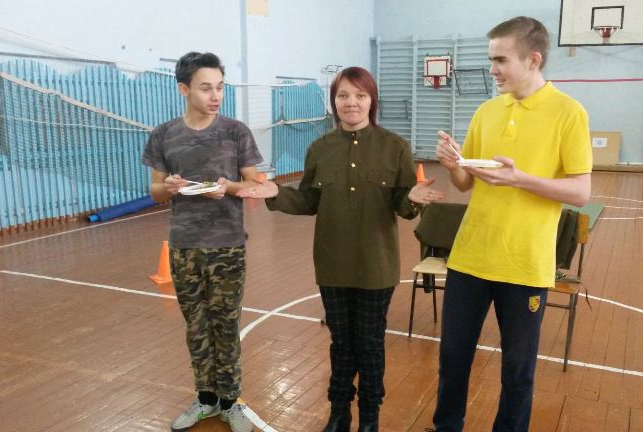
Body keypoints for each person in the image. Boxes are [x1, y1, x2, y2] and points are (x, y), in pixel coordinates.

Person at [237, 66, 443, 432]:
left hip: (376, 265)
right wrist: (276, 193)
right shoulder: (320, 149)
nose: (351, 103)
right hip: (332, 263)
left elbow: (403, 206)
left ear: (371, 100)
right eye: (343, 95)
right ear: (334, 101)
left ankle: (370, 417)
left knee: (370, 343)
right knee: (341, 341)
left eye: (360, 95)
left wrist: (411, 197)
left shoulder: (395, 147)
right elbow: (309, 200)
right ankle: (339, 413)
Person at [432, 17, 593, 432]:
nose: (492, 69)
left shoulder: (569, 113)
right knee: (453, 359)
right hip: (470, 258)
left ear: (533, 59)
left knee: (518, 371)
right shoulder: (487, 111)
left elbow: (580, 192)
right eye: (492, 60)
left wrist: (520, 179)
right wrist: (453, 164)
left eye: (501, 60)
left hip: (524, 265)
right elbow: (465, 183)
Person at [141, 51, 263, 432]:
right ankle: (206, 398)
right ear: (184, 89)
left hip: (227, 246)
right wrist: (170, 187)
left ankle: (231, 402)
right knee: (196, 326)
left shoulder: (235, 131)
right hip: (184, 247)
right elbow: (155, 192)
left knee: (225, 326)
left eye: (220, 87)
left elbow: (255, 184)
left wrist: (228, 188)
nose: (216, 96)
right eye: (206, 88)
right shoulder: (164, 135)